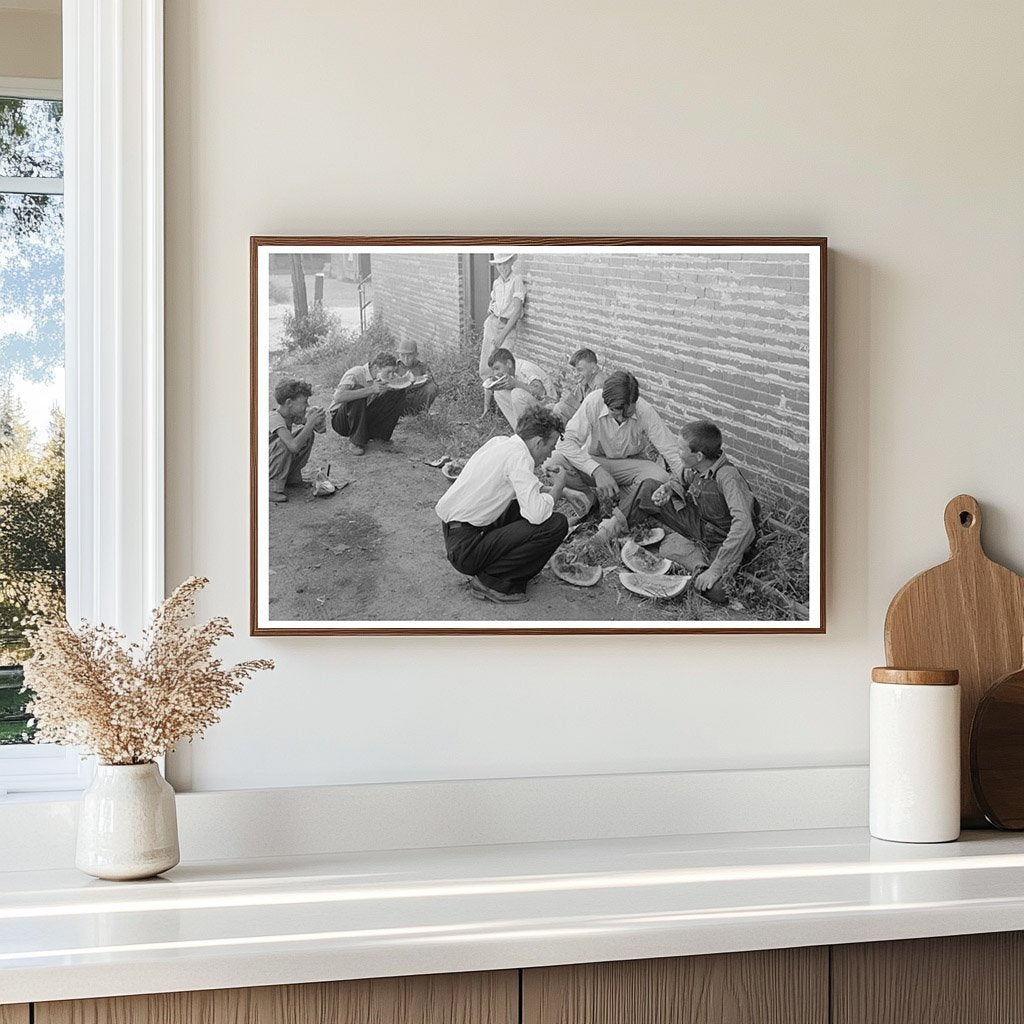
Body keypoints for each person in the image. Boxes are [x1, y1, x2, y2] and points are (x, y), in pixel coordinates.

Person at [436, 406, 569, 605]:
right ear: (539, 442)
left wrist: (566, 491)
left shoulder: (500, 442)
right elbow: (537, 514)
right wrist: (559, 487)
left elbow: (525, 487)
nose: (550, 455)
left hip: (457, 537)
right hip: (467, 550)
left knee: (518, 506)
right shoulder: (520, 457)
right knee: (555, 523)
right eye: (551, 447)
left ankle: (497, 572)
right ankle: (492, 581)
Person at [636, 419, 760, 604]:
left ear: (699, 455)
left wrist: (716, 569)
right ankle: (619, 532)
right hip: (699, 524)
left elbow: (744, 527)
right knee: (647, 488)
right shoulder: (694, 467)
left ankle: (693, 559)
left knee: (717, 590)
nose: (677, 453)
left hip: (722, 539)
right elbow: (682, 481)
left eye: (681, 449)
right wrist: (669, 488)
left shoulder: (728, 477)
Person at [547, 370, 682, 518]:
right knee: (553, 462)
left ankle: (622, 503)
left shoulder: (645, 411)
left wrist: (686, 482)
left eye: (628, 414)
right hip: (596, 461)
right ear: (606, 402)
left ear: (635, 402)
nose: (621, 418)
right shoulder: (593, 401)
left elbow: (671, 451)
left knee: (660, 478)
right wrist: (597, 471)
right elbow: (565, 443)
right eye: (614, 412)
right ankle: (590, 504)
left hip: (630, 465)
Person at [329, 351, 405, 456]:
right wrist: (370, 390)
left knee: (399, 392)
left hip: (362, 417)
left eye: (393, 372)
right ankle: (356, 442)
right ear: (376, 368)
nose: (391, 376)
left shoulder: (383, 377)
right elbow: (338, 397)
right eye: (388, 372)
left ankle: (380, 438)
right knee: (359, 390)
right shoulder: (355, 373)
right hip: (341, 422)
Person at [479, 252, 526, 415]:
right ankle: (486, 408)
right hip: (493, 323)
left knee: (504, 366)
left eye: (505, 263)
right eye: (499, 264)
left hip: (507, 326)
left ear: (511, 263)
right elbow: (493, 302)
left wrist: (502, 335)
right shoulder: (497, 283)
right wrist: (491, 312)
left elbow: (516, 312)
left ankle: (506, 408)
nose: (502, 268)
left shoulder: (516, 281)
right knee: (487, 365)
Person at [268, 379, 326, 503]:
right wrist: (310, 423)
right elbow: (293, 446)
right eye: (304, 402)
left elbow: (321, 430)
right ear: (289, 403)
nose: (307, 405)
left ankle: (291, 478)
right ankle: (270, 488)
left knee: (307, 434)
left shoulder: (291, 415)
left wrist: (318, 419)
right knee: (285, 443)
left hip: (271, 461)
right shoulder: (274, 418)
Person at [486, 347, 556, 430]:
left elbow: (541, 393)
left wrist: (515, 383)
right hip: (535, 406)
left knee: (517, 393)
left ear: (509, 363)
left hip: (549, 407)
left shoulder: (524, 369)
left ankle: (530, 432)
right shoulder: (513, 371)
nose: (495, 373)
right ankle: (520, 431)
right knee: (499, 393)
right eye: (493, 370)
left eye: (497, 368)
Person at [552, 347, 608, 424]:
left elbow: (596, 418)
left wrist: (574, 402)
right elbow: (574, 400)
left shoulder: (600, 384)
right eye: (574, 370)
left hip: (596, 425)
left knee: (559, 408)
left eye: (580, 370)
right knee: (549, 408)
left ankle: (567, 435)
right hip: (585, 416)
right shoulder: (586, 378)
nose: (575, 374)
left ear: (594, 369)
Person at [396, 338, 439, 415]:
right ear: (398, 355)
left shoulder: (422, 367)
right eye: (402, 355)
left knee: (432, 387)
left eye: (409, 355)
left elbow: (432, 384)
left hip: (417, 400)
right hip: (400, 401)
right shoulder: (395, 367)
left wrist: (419, 380)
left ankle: (421, 412)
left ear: (416, 355)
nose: (406, 359)